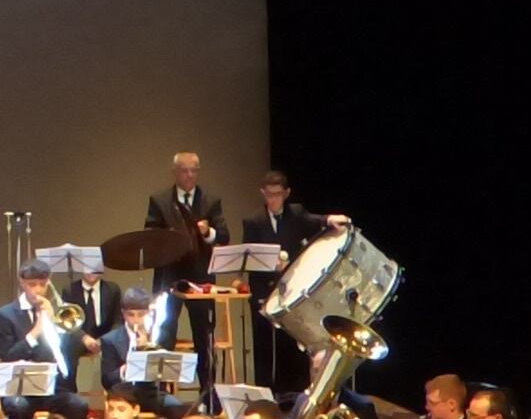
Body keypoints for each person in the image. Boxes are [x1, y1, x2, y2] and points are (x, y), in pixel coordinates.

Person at [239, 170, 347, 392]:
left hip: (292, 292)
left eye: (277, 194)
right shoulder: (253, 221)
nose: (273, 199)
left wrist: (330, 219)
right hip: (264, 289)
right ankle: (264, 394)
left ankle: (295, 394)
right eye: (268, 195)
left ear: (286, 193)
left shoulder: (296, 213)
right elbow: (248, 255)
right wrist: (268, 265)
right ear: (262, 193)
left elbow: (315, 220)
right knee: (263, 346)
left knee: (294, 343)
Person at [144, 151, 229, 402]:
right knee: (164, 330)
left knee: (203, 335)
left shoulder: (211, 201)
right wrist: (168, 237)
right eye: (184, 170)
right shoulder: (159, 201)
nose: (189, 175)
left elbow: (223, 235)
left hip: (200, 276)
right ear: (175, 172)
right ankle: (159, 392)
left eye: (194, 170)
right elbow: (150, 233)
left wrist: (207, 232)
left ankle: (208, 394)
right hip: (169, 275)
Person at [0, 259, 91, 419]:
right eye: (32, 284)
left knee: (78, 405)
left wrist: (57, 326)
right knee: (18, 407)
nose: (38, 290)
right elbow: (7, 355)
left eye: (42, 284)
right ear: (22, 283)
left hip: (54, 387)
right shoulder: (5, 315)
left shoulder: (56, 311)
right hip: (21, 389)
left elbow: (69, 352)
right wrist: (36, 331)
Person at [97, 288, 157, 394]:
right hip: (123, 393)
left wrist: (146, 349)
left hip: (152, 393)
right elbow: (106, 381)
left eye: (141, 314)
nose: (136, 320)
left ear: (149, 313)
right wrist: (127, 369)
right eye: (130, 314)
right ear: (123, 313)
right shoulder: (110, 340)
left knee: (176, 407)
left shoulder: (158, 335)